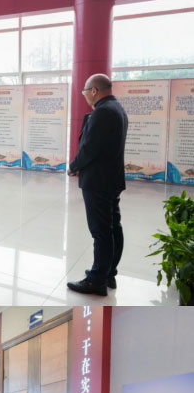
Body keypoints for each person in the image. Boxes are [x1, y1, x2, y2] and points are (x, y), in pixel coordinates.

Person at [67, 74, 128, 296]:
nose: (84, 95)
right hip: (111, 179)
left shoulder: (103, 112)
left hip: (98, 181)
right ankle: (108, 272)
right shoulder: (117, 108)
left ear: (94, 90)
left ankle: (96, 280)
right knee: (113, 227)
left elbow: (90, 148)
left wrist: (73, 166)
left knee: (101, 231)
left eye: (85, 91)